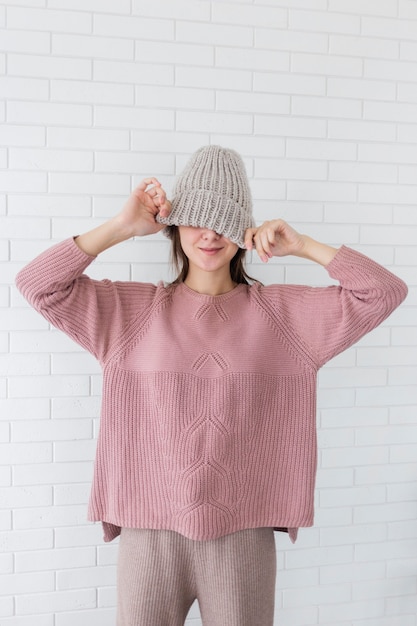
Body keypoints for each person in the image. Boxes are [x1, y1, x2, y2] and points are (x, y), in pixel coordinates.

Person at [16, 145, 408, 626]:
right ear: (174, 224)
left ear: (244, 233)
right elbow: (38, 285)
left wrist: (302, 244)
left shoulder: (284, 317)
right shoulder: (130, 313)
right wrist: (122, 227)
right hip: (148, 534)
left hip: (243, 537)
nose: (209, 234)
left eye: (224, 222)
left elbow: (384, 292)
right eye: (197, 218)